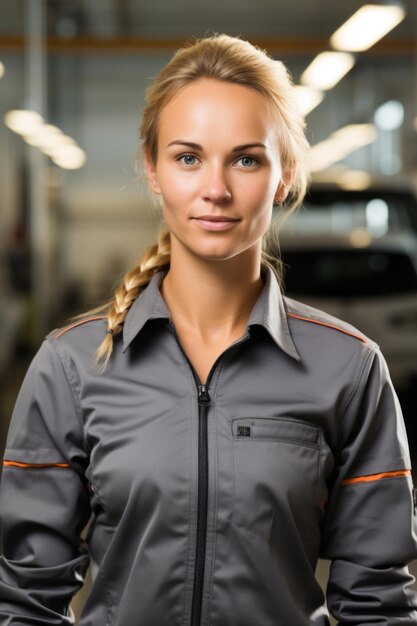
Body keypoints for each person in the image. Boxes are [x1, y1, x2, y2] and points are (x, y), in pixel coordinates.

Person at [0, 33, 416, 626]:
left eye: (246, 159)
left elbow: (379, 605)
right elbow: (25, 603)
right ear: (152, 168)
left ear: (285, 174)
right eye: (188, 157)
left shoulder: (350, 369)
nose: (215, 189)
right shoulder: (71, 365)